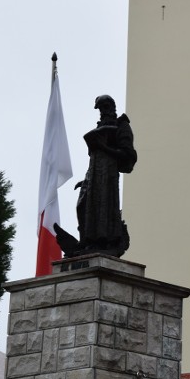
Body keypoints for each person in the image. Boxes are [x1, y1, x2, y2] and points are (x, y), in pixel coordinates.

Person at [56, 95, 137, 258]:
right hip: (92, 177)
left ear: (112, 107)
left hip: (108, 179)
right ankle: (87, 241)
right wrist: (86, 179)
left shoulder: (121, 125)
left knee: (104, 208)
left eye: (105, 107)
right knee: (82, 205)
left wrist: (104, 147)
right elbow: (94, 159)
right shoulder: (100, 128)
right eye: (100, 109)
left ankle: (105, 242)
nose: (103, 112)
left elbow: (128, 155)